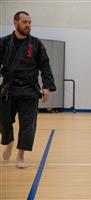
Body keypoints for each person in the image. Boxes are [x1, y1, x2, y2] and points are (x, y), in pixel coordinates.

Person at [0, 11, 56, 168]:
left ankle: (20, 156)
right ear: (15, 22)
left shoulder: (36, 44)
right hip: (8, 89)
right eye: (25, 22)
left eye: (30, 22)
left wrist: (46, 86)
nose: (28, 25)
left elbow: (45, 65)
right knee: (3, 122)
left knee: (28, 126)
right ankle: (9, 141)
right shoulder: (3, 43)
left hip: (29, 90)